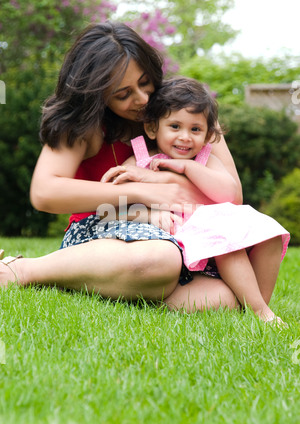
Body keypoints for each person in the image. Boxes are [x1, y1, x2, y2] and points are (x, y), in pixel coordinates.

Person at [0, 20, 249, 314]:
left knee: (226, 299)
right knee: (159, 260)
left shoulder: (188, 115)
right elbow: (45, 191)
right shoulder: (85, 125)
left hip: (182, 231)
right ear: (97, 94)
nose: (142, 99)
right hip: (107, 226)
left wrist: (169, 189)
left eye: (145, 83)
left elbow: (233, 196)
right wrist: (140, 195)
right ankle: (26, 270)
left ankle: (112, 284)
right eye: (123, 94)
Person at [101, 77, 290, 325]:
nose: (185, 137)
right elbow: (113, 206)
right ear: (152, 128)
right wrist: (150, 215)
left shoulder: (204, 159)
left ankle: (257, 305)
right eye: (175, 126)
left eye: (195, 129)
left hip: (213, 236)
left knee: (270, 234)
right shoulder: (140, 158)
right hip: (177, 244)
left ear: (208, 134)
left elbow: (229, 195)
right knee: (223, 238)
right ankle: (258, 310)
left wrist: (188, 167)